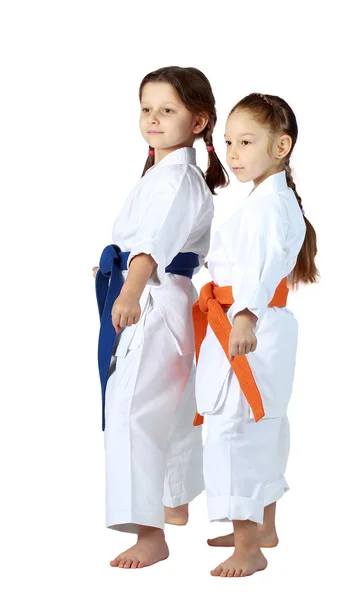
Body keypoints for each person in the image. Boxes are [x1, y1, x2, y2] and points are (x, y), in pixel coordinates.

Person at [94, 66, 228, 569]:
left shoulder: (177, 180)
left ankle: (148, 533)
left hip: (152, 298)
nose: (152, 119)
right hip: (164, 297)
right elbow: (142, 241)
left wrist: (129, 288)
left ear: (198, 121)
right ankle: (173, 504)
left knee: (132, 410)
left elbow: (152, 246)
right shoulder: (167, 174)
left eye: (167, 110)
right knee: (168, 408)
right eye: (146, 108)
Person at [193, 93, 318, 577]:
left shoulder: (269, 207)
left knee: (235, 427)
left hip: (248, 324)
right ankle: (261, 525)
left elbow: (260, 271)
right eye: (228, 142)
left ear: (281, 145)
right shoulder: (269, 199)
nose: (234, 153)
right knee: (262, 424)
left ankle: (249, 547)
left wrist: (243, 315)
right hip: (258, 322)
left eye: (246, 142)